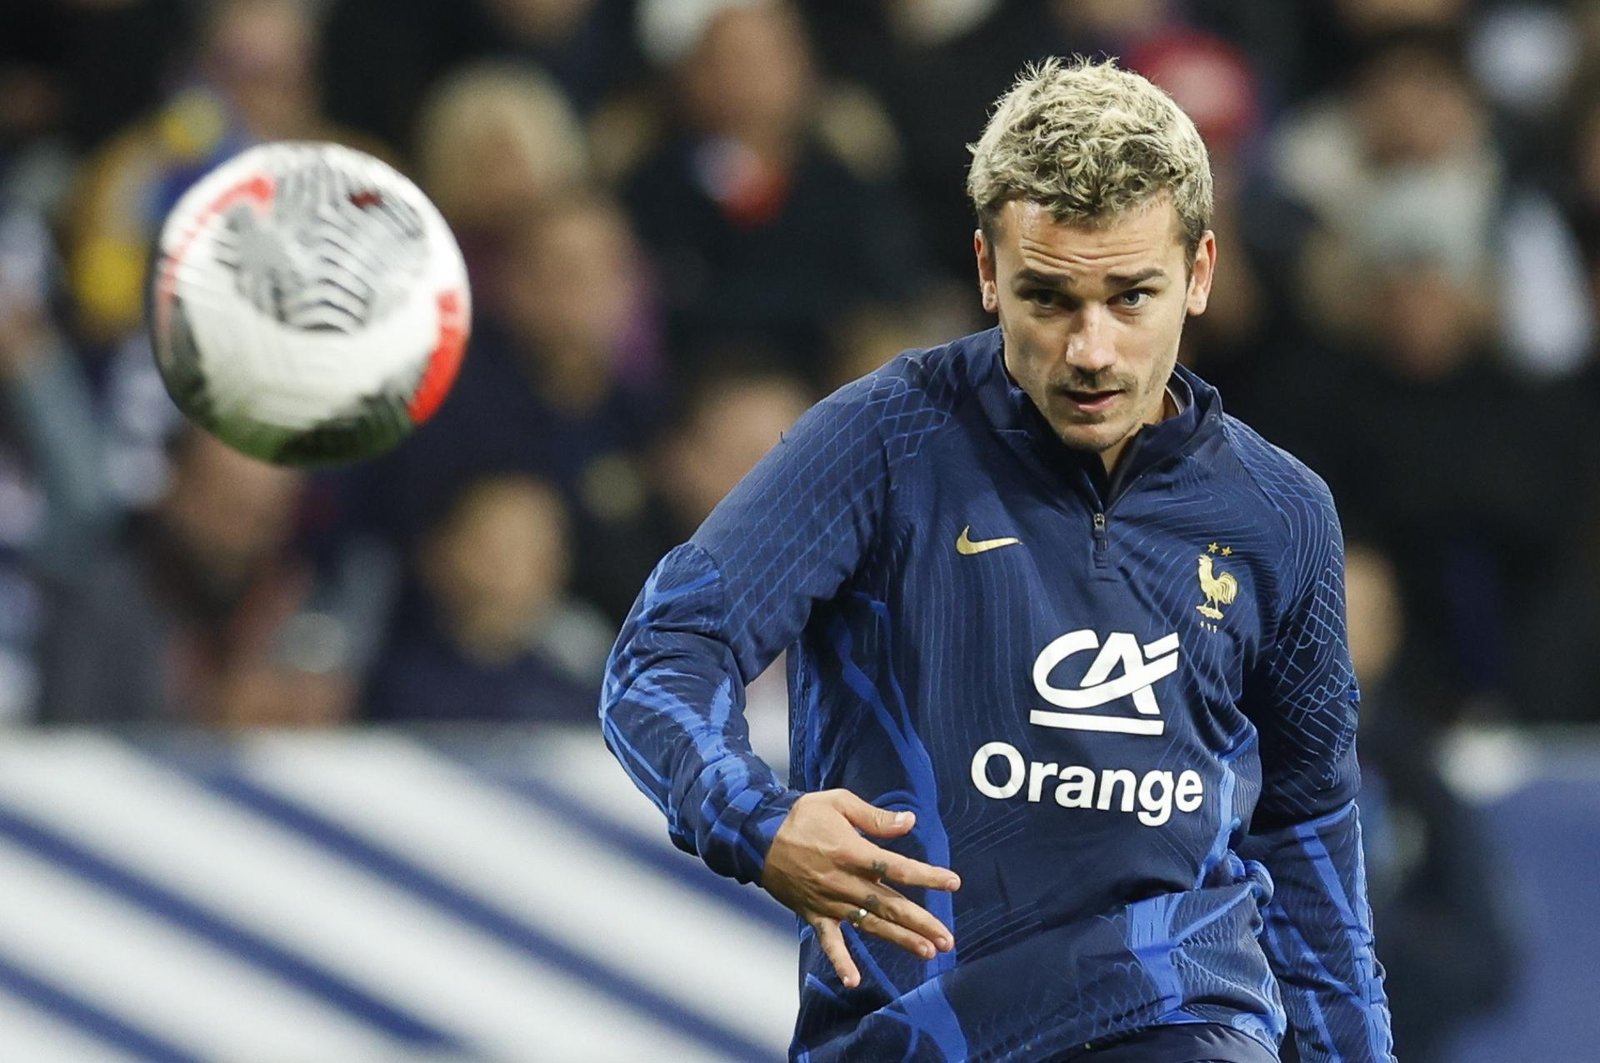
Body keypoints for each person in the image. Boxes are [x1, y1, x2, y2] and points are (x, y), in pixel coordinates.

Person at [601, 56, 1393, 1062]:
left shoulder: (1280, 513)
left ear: (1199, 273)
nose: (1091, 349)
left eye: (1131, 297)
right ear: (986, 270)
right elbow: (664, 653)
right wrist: (756, 820)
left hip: (1176, 1015)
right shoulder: (885, 441)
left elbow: (1309, 835)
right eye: (1049, 298)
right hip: (918, 1036)